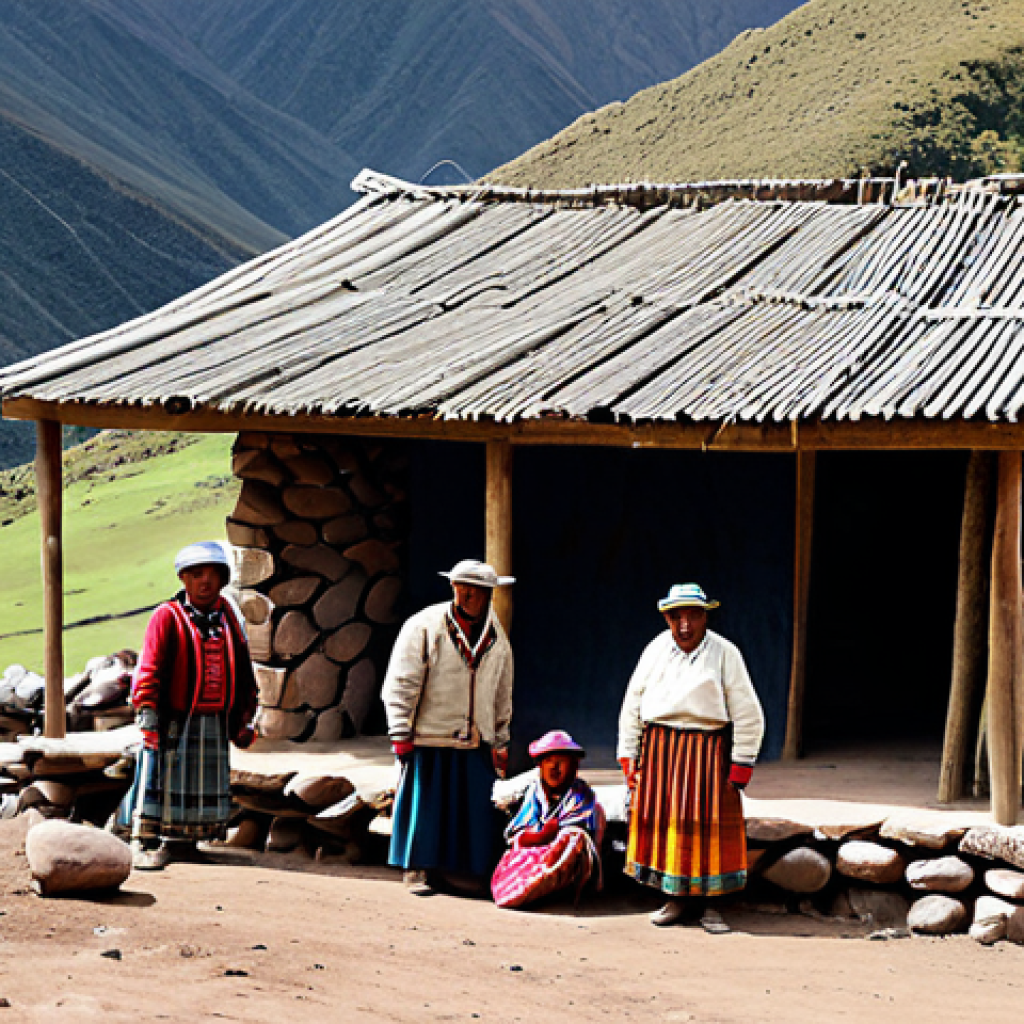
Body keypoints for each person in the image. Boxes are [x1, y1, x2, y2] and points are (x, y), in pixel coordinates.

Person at [617, 583, 764, 931]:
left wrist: (741, 763)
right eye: (676, 617)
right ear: (667, 619)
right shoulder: (655, 650)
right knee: (672, 830)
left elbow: (748, 713)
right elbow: (632, 704)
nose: (684, 625)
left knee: (707, 828)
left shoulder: (725, 653)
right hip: (660, 752)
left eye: (692, 616)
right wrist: (629, 755)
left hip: (708, 754)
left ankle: (712, 906)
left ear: (705, 617)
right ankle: (675, 899)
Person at [383, 559, 514, 895]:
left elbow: (502, 690)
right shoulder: (425, 626)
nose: (465, 597)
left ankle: (463, 872)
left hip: (476, 738)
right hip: (430, 735)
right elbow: (401, 681)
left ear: (488, 595)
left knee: (473, 811)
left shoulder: (496, 637)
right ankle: (418, 869)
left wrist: (499, 738)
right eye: (460, 589)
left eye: (474, 591)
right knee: (425, 807)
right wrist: (400, 731)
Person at [125, 542, 258, 870]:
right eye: (197, 575)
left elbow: (241, 664)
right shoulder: (167, 616)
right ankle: (143, 841)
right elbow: (150, 667)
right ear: (183, 579)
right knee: (159, 778)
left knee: (204, 783)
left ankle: (187, 842)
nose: (205, 582)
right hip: (174, 717)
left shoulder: (226, 615)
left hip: (213, 717)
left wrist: (243, 714)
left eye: (213, 575)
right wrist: (147, 714)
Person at [491, 730, 604, 909]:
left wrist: (554, 833)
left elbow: (578, 825)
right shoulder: (534, 792)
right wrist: (536, 835)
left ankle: (557, 889)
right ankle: (524, 891)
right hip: (537, 850)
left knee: (573, 838)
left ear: (574, 766)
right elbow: (518, 829)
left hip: (563, 853)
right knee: (517, 849)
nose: (554, 768)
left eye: (561, 762)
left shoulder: (581, 793)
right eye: (548, 761)